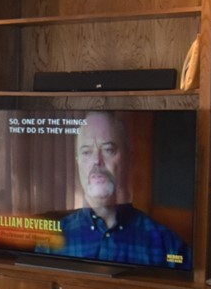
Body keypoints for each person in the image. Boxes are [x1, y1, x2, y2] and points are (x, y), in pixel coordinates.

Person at [53, 112, 189, 267]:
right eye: (86, 152)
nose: (97, 161)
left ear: (128, 159)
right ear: (77, 162)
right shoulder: (54, 240)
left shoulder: (167, 245)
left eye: (108, 149)